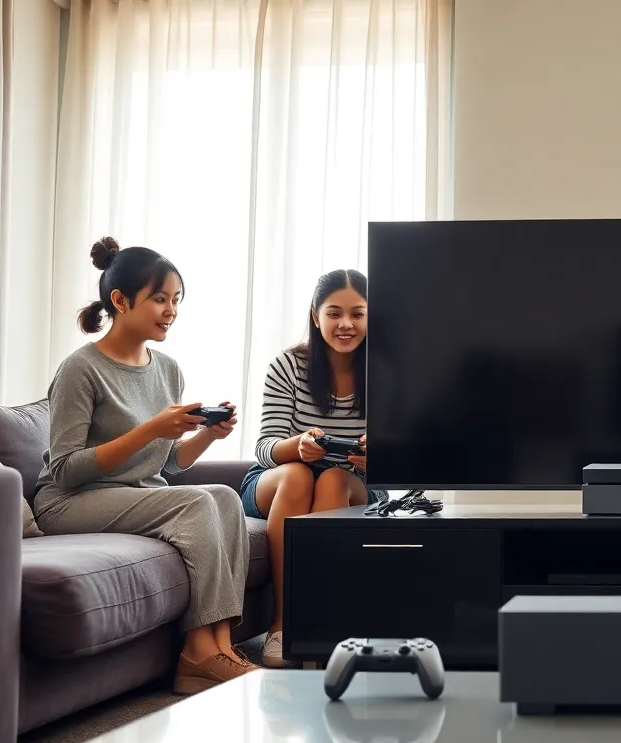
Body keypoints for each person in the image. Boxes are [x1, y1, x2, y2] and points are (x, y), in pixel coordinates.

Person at [33, 237, 253, 693]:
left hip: (133, 494)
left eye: (176, 300)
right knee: (195, 504)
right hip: (69, 503)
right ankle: (197, 653)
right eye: (159, 299)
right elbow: (66, 469)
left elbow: (169, 465)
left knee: (226, 499)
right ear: (119, 300)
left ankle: (221, 644)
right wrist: (151, 428)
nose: (170, 310)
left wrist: (207, 433)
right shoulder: (81, 369)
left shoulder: (167, 368)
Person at [239, 268, 384, 668]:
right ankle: (282, 625)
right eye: (334, 313)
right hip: (279, 480)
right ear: (315, 315)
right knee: (301, 474)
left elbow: (409, 460)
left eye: (358, 313)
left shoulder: (387, 369)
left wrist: (381, 457)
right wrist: (299, 446)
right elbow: (266, 448)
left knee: (335, 478)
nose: (346, 324)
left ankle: (323, 623)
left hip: (352, 483)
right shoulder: (287, 365)